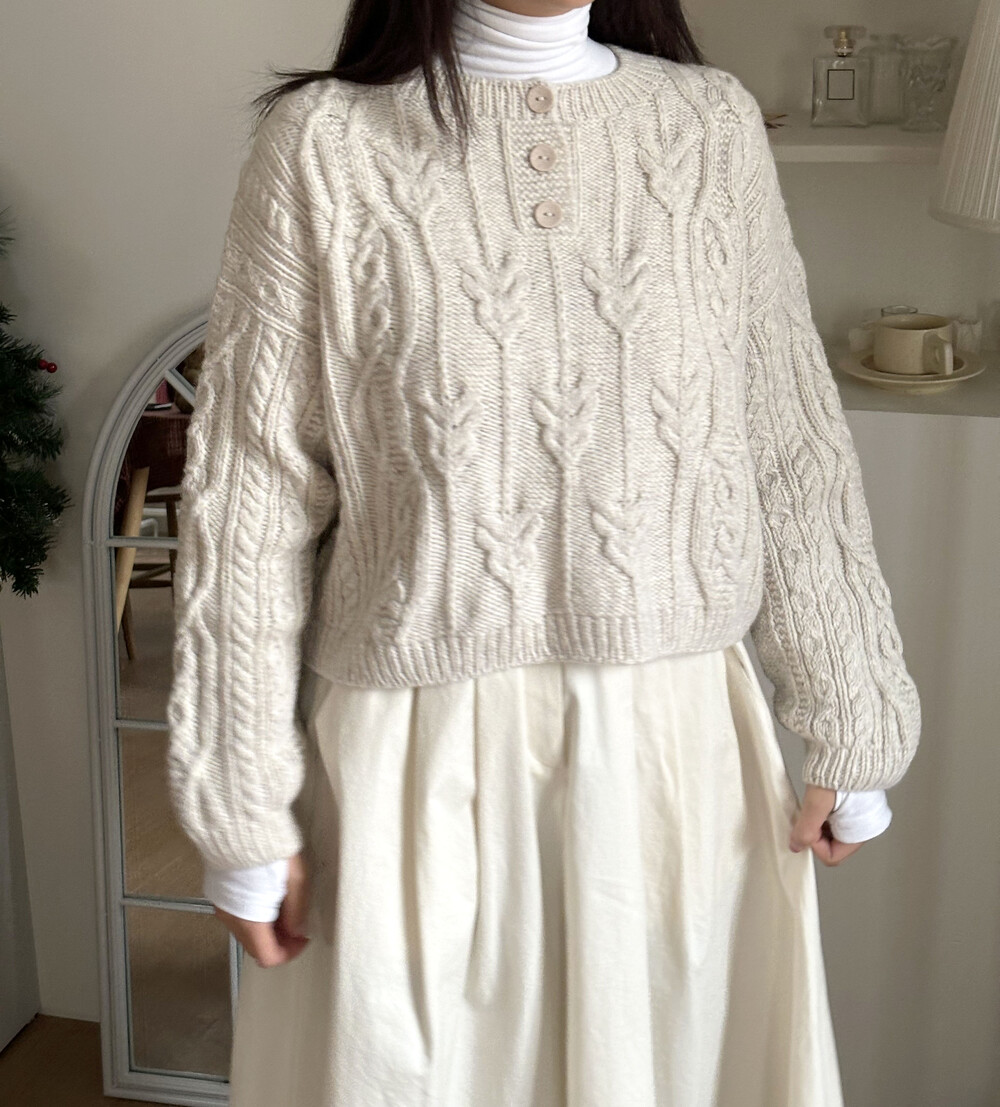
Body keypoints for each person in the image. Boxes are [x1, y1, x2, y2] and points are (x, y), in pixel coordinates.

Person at [165, 1, 921, 1103]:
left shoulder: (709, 127)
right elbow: (252, 492)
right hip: (411, 759)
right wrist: (238, 800)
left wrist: (854, 712)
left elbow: (786, 434)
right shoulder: (325, 143)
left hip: (677, 759)